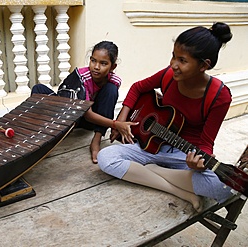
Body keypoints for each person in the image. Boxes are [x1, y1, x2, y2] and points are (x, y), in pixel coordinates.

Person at [97, 22, 233, 212]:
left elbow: (206, 143)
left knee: (224, 189)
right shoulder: (169, 75)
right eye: (173, 56)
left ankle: (156, 171)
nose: (173, 65)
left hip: (182, 155)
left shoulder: (219, 96)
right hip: (149, 145)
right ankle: (178, 189)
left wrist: (199, 163)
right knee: (106, 157)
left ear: (204, 65)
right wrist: (121, 120)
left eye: (182, 61)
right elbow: (137, 88)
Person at [32, 41, 122, 164]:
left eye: (103, 63)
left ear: (112, 67)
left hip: (89, 121)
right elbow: (86, 113)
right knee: (38, 89)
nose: (96, 66)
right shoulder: (82, 77)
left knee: (111, 90)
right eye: (93, 60)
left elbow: (102, 106)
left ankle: (96, 140)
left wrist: (114, 124)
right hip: (71, 116)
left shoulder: (114, 81)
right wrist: (116, 124)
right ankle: (40, 134)